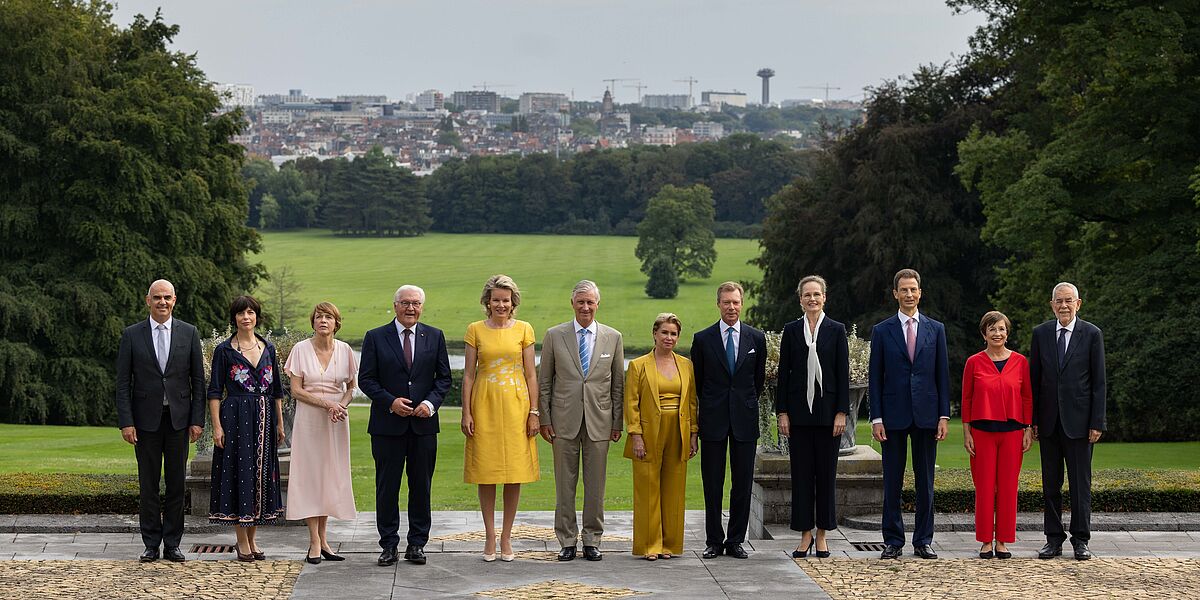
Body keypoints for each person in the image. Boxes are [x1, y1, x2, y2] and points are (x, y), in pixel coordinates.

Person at [359, 285, 452, 567]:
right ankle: (388, 545)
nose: (410, 308)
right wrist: (390, 402)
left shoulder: (434, 336)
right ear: (395, 305)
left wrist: (430, 404)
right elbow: (366, 379)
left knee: (421, 487)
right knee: (387, 488)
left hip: (423, 427)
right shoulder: (375, 337)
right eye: (405, 303)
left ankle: (417, 544)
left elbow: (444, 379)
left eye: (416, 303)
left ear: (422, 306)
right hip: (388, 426)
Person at [115, 279, 206, 563]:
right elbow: (122, 383)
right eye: (157, 298)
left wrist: (197, 420)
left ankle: (173, 544)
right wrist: (126, 422)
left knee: (177, 484)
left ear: (175, 300)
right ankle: (151, 544)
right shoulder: (132, 335)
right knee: (149, 485)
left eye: (167, 297)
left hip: (179, 421)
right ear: (148, 300)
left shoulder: (189, 333)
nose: (162, 302)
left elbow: (198, 382)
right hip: (145, 422)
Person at [538, 280, 625, 562]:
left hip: (600, 421)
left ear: (598, 304)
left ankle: (592, 539)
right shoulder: (554, 335)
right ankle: (566, 540)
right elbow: (545, 382)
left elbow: (618, 386)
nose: (585, 307)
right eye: (580, 302)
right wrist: (545, 418)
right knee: (565, 484)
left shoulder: (613, 337)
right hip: (563, 421)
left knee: (596, 486)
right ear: (572, 303)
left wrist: (616, 422)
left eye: (590, 302)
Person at [868, 268, 950, 560]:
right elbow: (875, 377)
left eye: (913, 289)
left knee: (925, 481)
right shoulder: (882, 331)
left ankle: (923, 540)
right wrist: (876, 418)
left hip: (928, 415)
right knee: (892, 481)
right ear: (895, 294)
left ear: (920, 292)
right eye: (903, 290)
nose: (909, 294)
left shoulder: (936, 329)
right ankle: (892, 540)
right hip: (892, 416)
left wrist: (944, 415)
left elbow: (943, 375)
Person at [461, 275, 540, 562]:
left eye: (506, 300)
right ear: (487, 301)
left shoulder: (524, 329)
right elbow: (469, 374)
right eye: (496, 299)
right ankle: (489, 536)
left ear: (513, 302)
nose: (501, 304)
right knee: (487, 471)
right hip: (484, 404)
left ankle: (507, 537)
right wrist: (466, 411)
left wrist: (534, 412)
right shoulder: (475, 330)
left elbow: (532, 373)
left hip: (517, 406)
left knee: (514, 472)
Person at [1030, 282, 1106, 561]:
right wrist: (1034, 420)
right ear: (1052, 305)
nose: (1063, 306)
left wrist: (1097, 422)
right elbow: (1034, 381)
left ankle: (1081, 540)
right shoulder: (1040, 334)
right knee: (1050, 484)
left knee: (1080, 485)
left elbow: (1099, 382)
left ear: (1078, 303)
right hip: (1048, 423)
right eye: (1058, 301)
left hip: (1081, 424)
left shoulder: (1092, 334)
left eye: (1068, 301)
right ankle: (1053, 539)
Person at [691, 281, 766, 560]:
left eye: (735, 302)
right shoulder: (703, 339)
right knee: (712, 482)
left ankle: (735, 540)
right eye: (726, 302)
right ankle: (713, 540)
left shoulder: (756, 339)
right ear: (718, 304)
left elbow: (756, 381)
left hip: (744, 420)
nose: (731, 307)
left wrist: (741, 403)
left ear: (741, 303)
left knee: (743, 482)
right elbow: (698, 383)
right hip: (713, 419)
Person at [775, 275, 849, 559]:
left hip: (830, 415)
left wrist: (842, 411)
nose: (812, 299)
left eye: (817, 294)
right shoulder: (791, 331)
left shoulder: (836, 330)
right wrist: (782, 412)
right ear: (801, 299)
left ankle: (822, 535)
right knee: (802, 477)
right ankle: (804, 534)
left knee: (826, 477)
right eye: (807, 295)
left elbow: (843, 374)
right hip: (798, 415)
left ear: (824, 298)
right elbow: (783, 375)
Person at [208, 295, 285, 561]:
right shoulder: (224, 350)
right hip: (235, 417)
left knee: (260, 476)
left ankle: (253, 539)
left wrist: (280, 423)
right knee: (240, 474)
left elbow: (277, 391)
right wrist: (217, 427)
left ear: (256, 316)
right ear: (235, 318)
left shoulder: (269, 347)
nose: (246, 317)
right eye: (241, 313)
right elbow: (215, 391)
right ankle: (241, 540)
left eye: (250, 312)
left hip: (264, 417)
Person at [284, 302, 359, 565]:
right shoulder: (300, 350)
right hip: (309, 420)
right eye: (319, 317)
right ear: (313, 322)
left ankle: (325, 540)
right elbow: (296, 390)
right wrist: (327, 404)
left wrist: (341, 406)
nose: (323, 321)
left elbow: (351, 387)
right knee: (311, 477)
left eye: (328, 317)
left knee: (329, 477)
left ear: (336, 323)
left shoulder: (346, 350)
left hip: (336, 421)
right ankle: (314, 541)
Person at [624, 313, 698, 561]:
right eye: (664, 332)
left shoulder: (686, 365)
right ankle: (650, 545)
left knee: (674, 489)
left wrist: (693, 435)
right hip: (648, 433)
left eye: (674, 333)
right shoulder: (638, 365)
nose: (669, 337)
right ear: (655, 333)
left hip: (678, 432)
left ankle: (670, 544)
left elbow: (692, 403)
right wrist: (636, 435)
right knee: (647, 488)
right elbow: (631, 403)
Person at [961, 311, 1033, 559]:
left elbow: (1026, 397)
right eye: (992, 329)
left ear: (1007, 332)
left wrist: (1027, 429)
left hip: (1013, 432)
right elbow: (967, 398)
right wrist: (966, 432)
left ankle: (1002, 540)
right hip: (982, 433)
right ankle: (984, 541)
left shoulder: (1021, 361)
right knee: (984, 487)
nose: (997, 333)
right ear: (984, 334)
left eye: (1001, 329)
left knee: (1008, 488)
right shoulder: (973, 362)